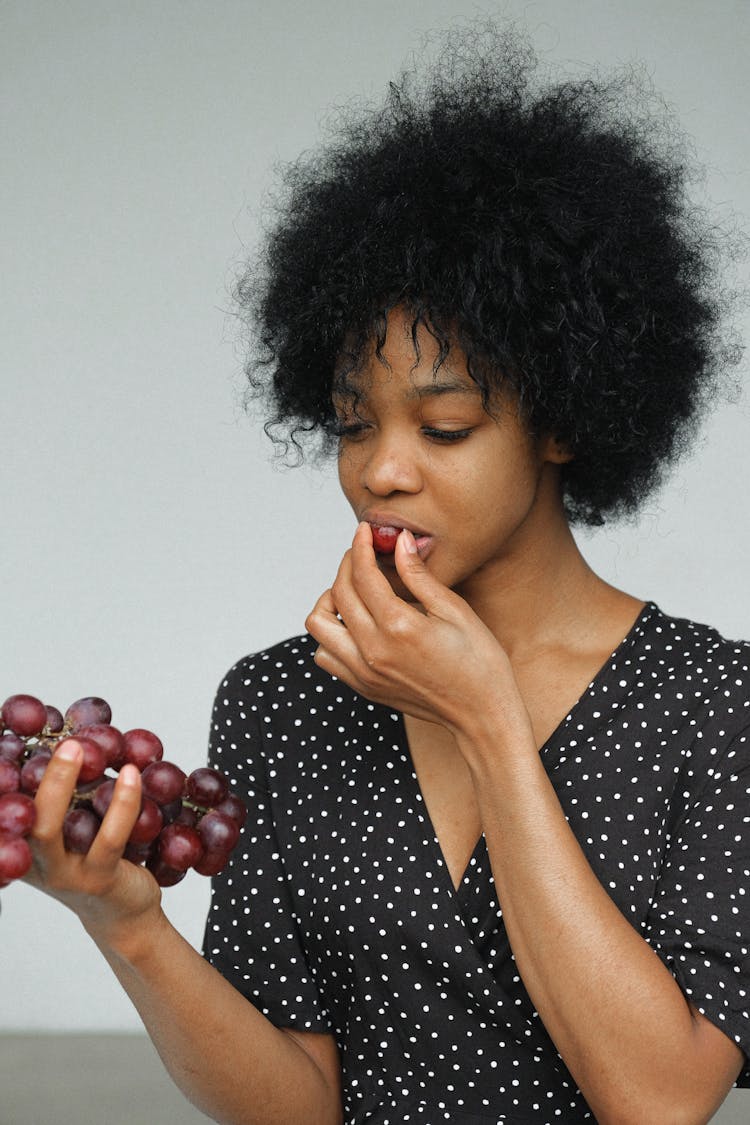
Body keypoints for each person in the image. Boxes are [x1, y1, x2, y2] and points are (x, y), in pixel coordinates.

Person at [24, 27, 748, 1125]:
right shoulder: (281, 701)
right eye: (354, 425)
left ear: (561, 421)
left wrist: (490, 725)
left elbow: (660, 1099)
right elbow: (297, 1104)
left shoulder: (709, 703)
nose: (381, 471)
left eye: (445, 426)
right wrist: (127, 926)